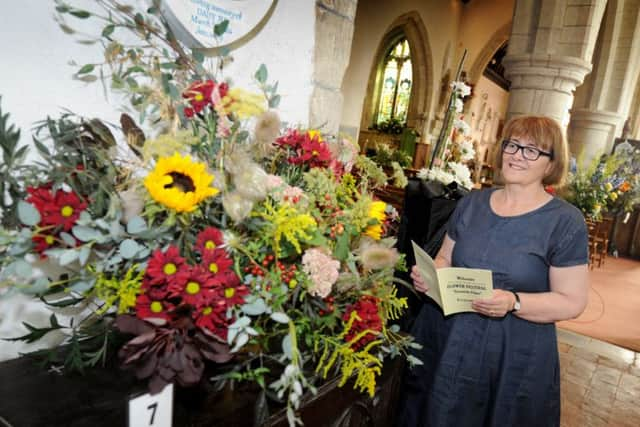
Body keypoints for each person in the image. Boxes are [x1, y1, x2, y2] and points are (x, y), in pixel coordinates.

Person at [396, 115, 589, 427]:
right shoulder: (473, 202)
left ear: (551, 163)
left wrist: (514, 301)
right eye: (512, 145)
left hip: (511, 350)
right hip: (447, 336)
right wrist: (431, 275)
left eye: (531, 150)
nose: (516, 155)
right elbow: (445, 257)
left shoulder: (565, 222)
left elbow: (572, 301)